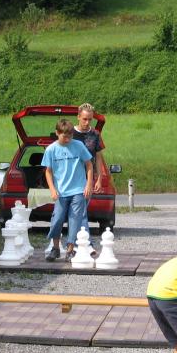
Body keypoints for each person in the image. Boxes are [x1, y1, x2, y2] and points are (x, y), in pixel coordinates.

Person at [43, 119, 93, 262]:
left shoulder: (79, 146)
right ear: (57, 133)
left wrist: (89, 184)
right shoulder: (51, 149)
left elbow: (89, 165)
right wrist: (52, 189)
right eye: (65, 136)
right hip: (61, 192)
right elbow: (48, 171)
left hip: (78, 190)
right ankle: (56, 248)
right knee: (57, 218)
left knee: (75, 220)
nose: (68, 139)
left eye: (70, 136)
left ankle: (70, 250)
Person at [72, 103, 105, 254]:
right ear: (78, 117)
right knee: (79, 211)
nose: (87, 123)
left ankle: (82, 244)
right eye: (84, 119)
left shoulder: (95, 134)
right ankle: (83, 244)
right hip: (71, 177)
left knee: (81, 210)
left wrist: (99, 178)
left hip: (88, 177)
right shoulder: (69, 133)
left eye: (90, 120)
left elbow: (98, 157)